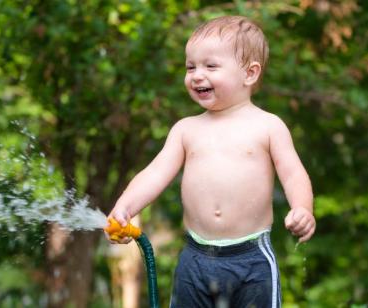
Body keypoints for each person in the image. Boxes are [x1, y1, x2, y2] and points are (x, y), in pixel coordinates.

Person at [107, 15, 315, 308]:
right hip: (195, 259)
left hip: (251, 260)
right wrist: (126, 206)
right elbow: (155, 173)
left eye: (210, 66)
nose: (196, 75)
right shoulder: (186, 130)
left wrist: (302, 208)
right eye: (190, 66)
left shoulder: (268, 126)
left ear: (250, 73)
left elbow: (294, 175)